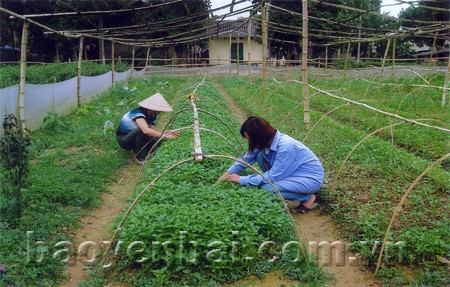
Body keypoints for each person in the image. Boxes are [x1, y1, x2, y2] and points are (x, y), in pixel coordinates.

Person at [223, 116, 324, 213]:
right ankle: (290, 190)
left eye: (251, 139)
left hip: (309, 178)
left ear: (259, 136)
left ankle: (308, 197)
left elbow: (272, 176)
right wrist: (223, 178)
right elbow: (245, 160)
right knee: (260, 156)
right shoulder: (264, 141)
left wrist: (242, 179)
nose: (250, 142)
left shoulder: (286, 147)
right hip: (290, 173)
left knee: (267, 189)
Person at [116, 92, 179, 165]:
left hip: (136, 138)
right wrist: (164, 135)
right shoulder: (137, 113)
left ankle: (137, 150)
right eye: (159, 109)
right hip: (124, 140)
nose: (160, 111)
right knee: (141, 130)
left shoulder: (152, 115)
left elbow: (151, 131)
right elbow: (145, 130)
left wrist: (165, 133)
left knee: (159, 140)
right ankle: (140, 157)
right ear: (152, 108)